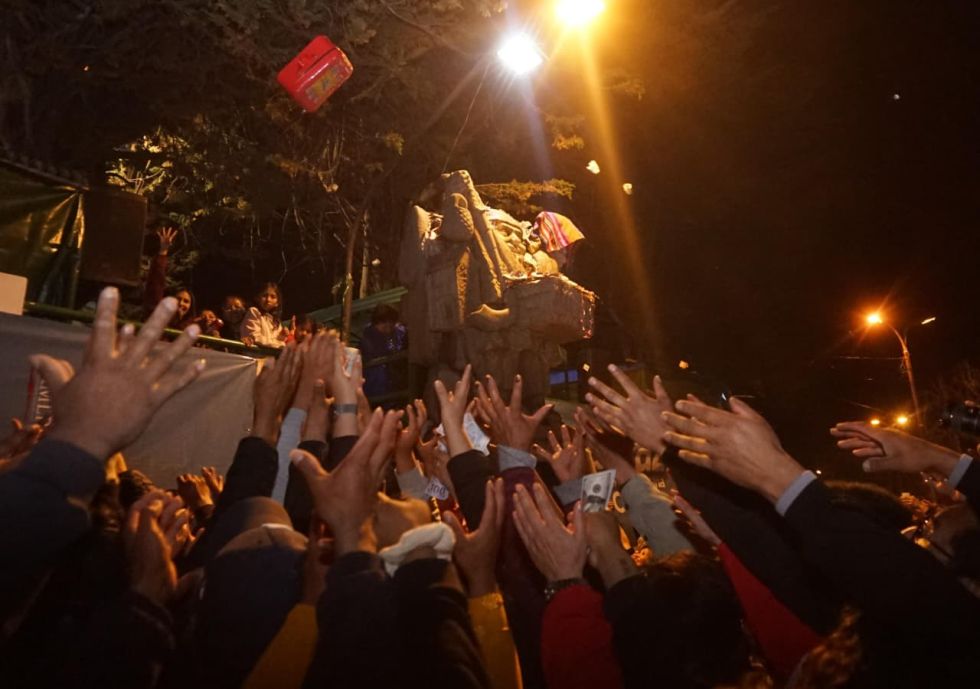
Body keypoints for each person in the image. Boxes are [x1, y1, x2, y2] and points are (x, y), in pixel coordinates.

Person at [360, 303, 407, 399]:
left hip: (396, 384)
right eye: (384, 323)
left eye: (391, 323)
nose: (388, 327)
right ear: (376, 324)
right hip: (377, 385)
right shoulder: (368, 339)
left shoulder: (398, 334)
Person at [241, 283, 288, 349]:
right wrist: (280, 345)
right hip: (253, 354)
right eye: (264, 296)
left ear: (277, 303)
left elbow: (276, 340)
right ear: (257, 298)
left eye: (273, 297)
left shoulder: (275, 320)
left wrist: (282, 336)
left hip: (268, 355)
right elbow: (255, 337)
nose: (268, 299)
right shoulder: (254, 311)